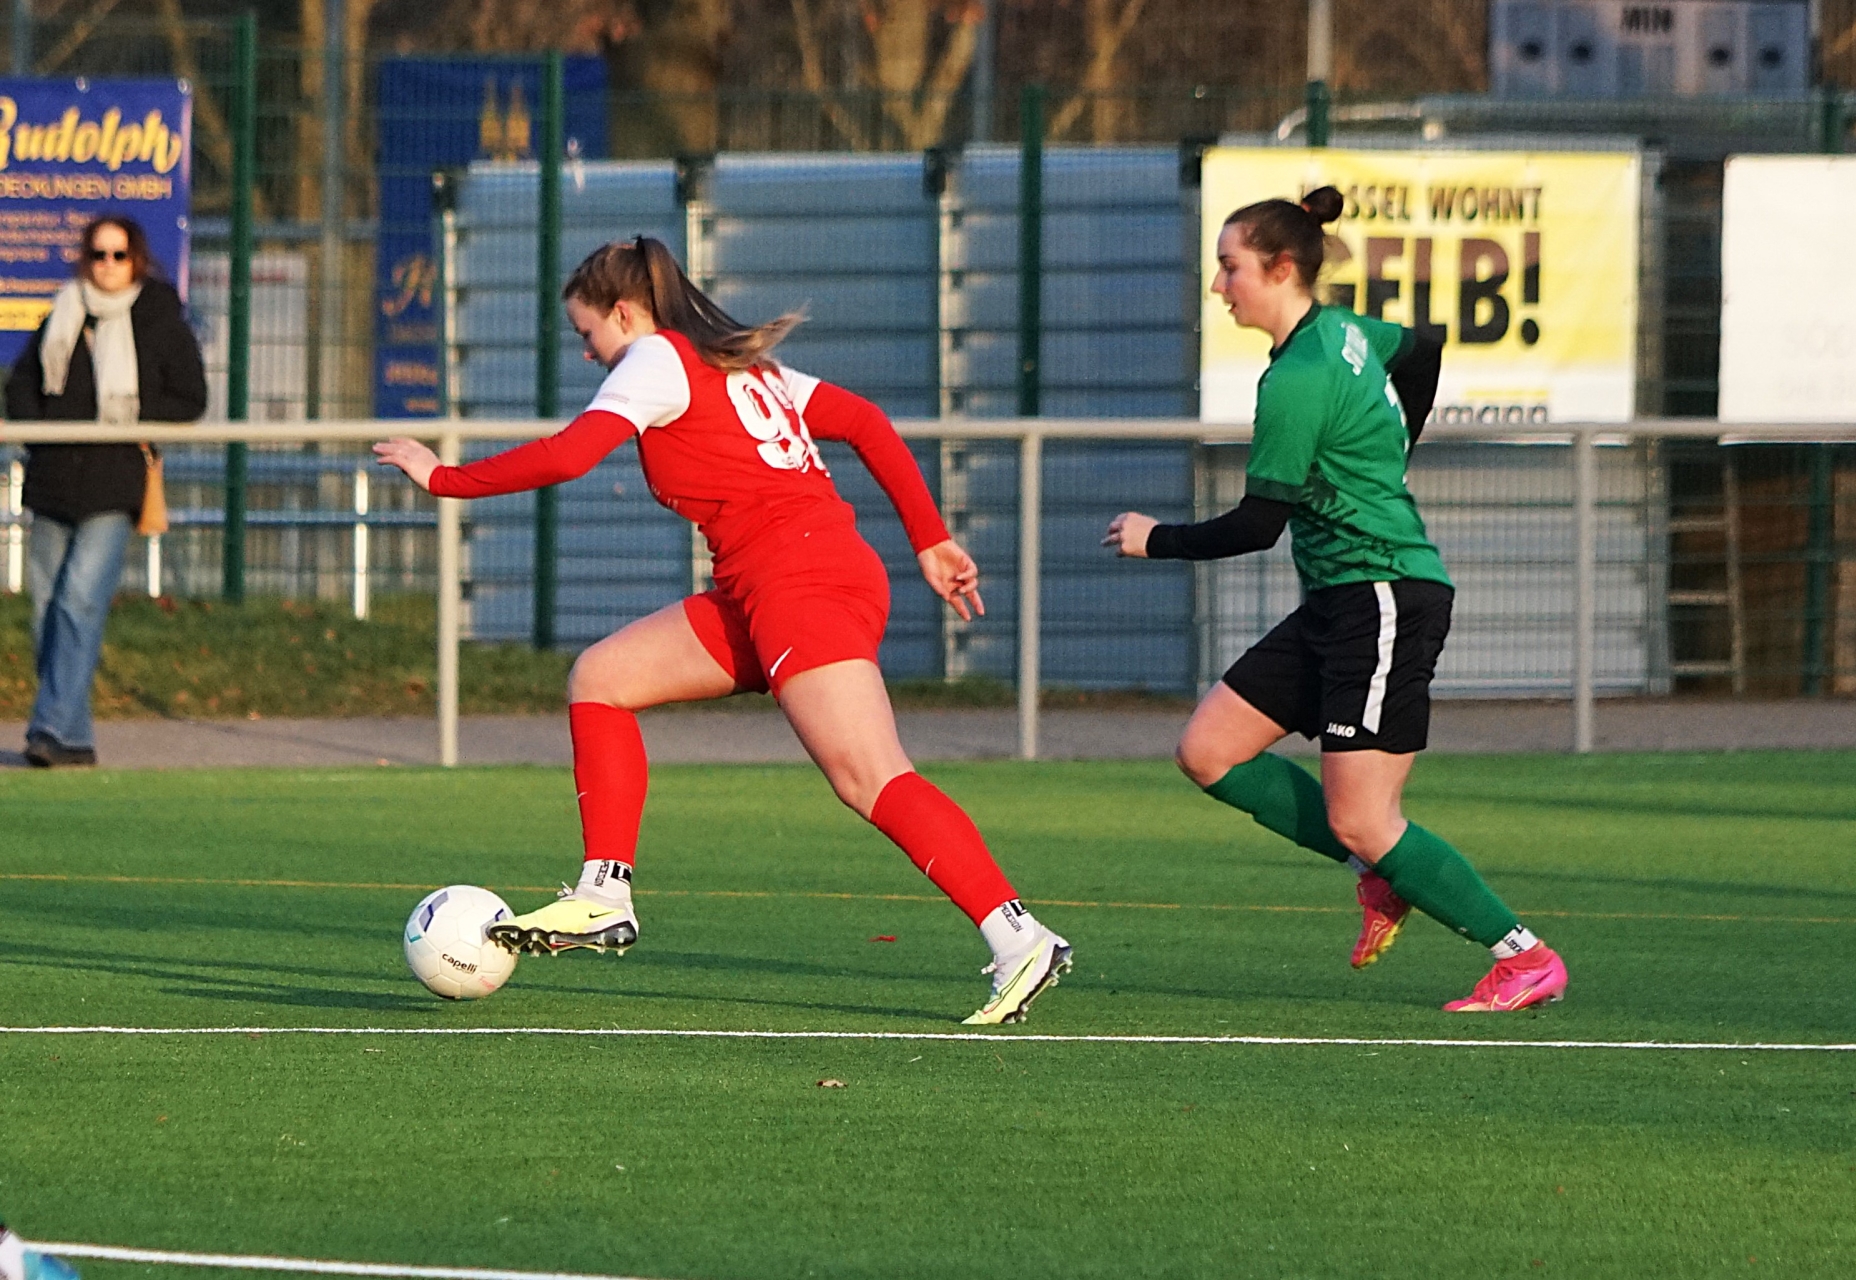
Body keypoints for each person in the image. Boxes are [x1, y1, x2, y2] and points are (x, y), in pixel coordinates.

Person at [375, 236, 1072, 1025]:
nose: (588, 352)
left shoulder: (656, 356)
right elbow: (866, 422)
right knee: (602, 679)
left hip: (799, 584)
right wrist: (928, 538)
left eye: (587, 333)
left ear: (625, 313)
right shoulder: (741, 366)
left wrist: (445, 478)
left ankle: (1020, 938)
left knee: (872, 777)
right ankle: (604, 892)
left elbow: (571, 456)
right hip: (774, 583)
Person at [1105, 188, 1567, 1012]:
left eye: (1230, 267)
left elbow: (1258, 526)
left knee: (1365, 818)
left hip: (1383, 596)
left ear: (1282, 268)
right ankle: (1382, 874)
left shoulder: (1299, 378)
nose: (1218, 286)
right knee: (1209, 751)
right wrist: (1390, 448)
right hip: (1339, 597)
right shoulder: (1344, 333)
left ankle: (1524, 957)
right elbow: (1421, 349)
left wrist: (1157, 539)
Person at [5, 215, 207, 767]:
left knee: (79, 601)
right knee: (47, 610)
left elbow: (190, 397)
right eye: (98, 254)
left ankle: (49, 729)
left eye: (119, 255)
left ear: (136, 259)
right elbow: (23, 385)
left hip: (114, 483)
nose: (108, 266)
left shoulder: (158, 316)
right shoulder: (63, 310)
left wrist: (128, 414)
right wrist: (41, 433)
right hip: (52, 481)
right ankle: (72, 737)